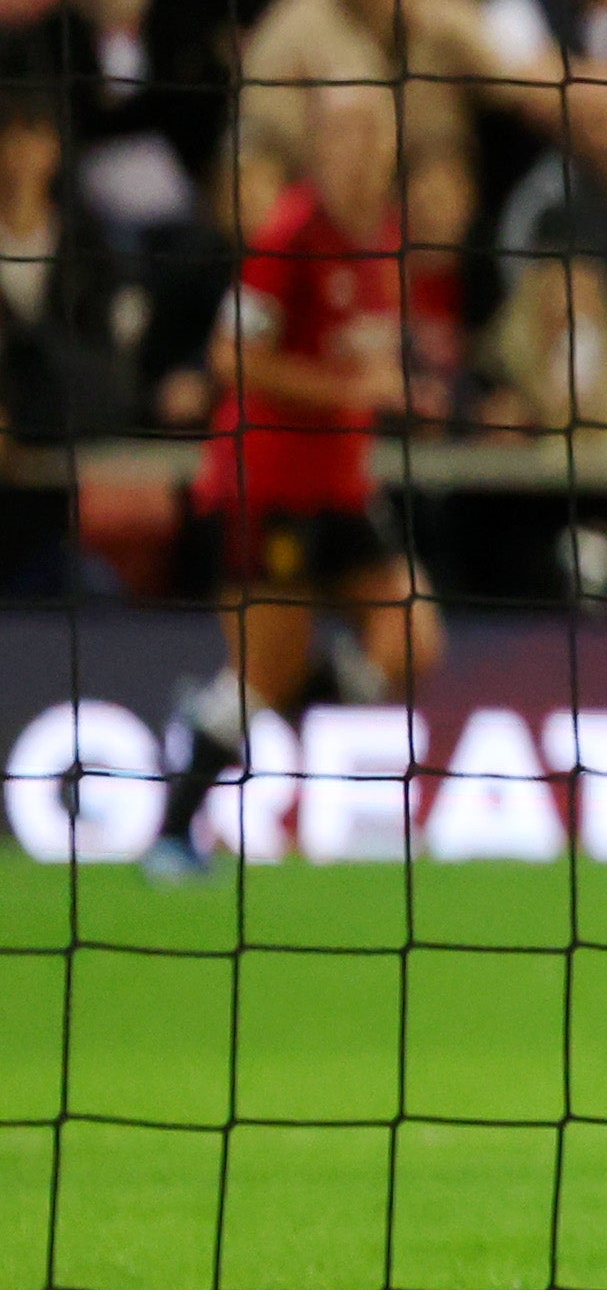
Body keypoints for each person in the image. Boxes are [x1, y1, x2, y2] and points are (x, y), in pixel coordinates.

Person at [150, 85, 443, 866]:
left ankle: (218, 713)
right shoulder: (286, 237)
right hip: (264, 485)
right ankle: (174, 833)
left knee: (411, 634)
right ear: (319, 147)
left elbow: (366, 352)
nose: (357, 150)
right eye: (341, 136)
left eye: (371, 134)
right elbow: (229, 356)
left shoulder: (383, 235)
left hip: (343, 489)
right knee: (265, 669)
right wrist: (351, 391)